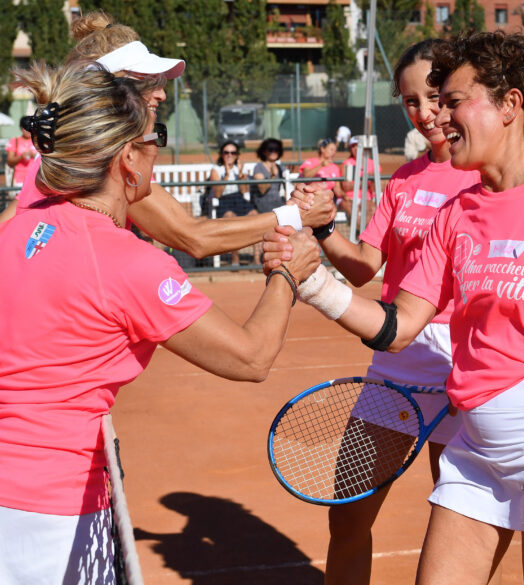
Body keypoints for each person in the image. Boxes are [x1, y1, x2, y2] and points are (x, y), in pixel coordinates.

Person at [275, 30, 524, 585]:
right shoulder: (457, 214)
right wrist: (313, 282)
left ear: (510, 104)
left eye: (454, 99)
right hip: (479, 456)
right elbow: (396, 328)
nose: (439, 113)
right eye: (428, 99)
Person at [0, 60, 320, 585]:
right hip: (54, 509)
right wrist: (287, 275)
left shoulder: (20, 228)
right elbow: (251, 357)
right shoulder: (129, 262)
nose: (158, 152)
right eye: (154, 140)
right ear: (127, 157)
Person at [265, 39, 482, 585]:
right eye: (409, 101)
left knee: (457, 526)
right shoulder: (405, 179)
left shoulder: (484, 176)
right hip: (395, 357)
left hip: (462, 363)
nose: (424, 112)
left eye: (434, 95)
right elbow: (364, 267)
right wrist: (323, 230)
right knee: (349, 514)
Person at [0, 11, 335, 262]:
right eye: (145, 81)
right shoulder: (106, 165)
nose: (160, 93)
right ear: (109, 92)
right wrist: (296, 215)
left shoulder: (69, 158)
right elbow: (193, 236)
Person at [337, 135, 381, 229]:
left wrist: (365, 181)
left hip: (367, 198)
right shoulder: (347, 163)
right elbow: (346, 186)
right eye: (353, 146)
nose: (356, 148)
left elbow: (377, 186)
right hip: (349, 198)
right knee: (354, 212)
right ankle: (358, 237)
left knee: (372, 209)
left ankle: (363, 237)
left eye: (358, 145)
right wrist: (366, 179)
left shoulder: (372, 163)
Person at [250, 138, 286, 214]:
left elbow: (286, 188)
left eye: (276, 149)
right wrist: (272, 176)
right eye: (270, 149)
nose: (274, 152)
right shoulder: (259, 167)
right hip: (263, 205)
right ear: (264, 151)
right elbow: (262, 190)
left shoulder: (281, 168)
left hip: (279, 203)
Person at [5, 116, 38, 189]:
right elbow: (9, 161)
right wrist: (21, 157)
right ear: (21, 128)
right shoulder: (14, 140)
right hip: (19, 179)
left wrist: (34, 155)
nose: (28, 130)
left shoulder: (37, 141)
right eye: (25, 128)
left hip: (36, 178)